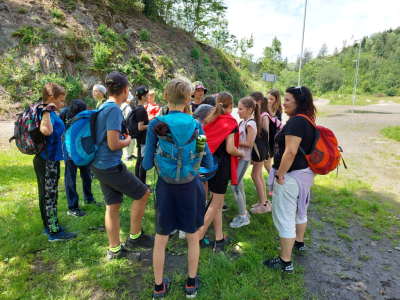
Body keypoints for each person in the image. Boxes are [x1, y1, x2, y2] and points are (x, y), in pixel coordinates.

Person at [143, 77, 213, 299]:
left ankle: (158, 288)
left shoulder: (156, 124)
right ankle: (191, 284)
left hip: (165, 188)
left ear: (165, 97)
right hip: (191, 187)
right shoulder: (197, 125)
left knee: (161, 238)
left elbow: (145, 164)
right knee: (193, 237)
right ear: (189, 99)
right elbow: (207, 161)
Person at [90, 72, 153, 261]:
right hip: (110, 166)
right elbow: (113, 144)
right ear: (125, 90)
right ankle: (135, 238)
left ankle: (115, 250)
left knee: (113, 205)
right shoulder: (114, 110)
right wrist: (127, 140)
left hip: (99, 165)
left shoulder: (103, 106)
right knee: (143, 193)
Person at [263, 86, 317, 273]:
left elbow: (291, 151)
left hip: (291, 176)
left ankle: (285, 262)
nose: (283, 103)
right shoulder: (309, 119)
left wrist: (279, 175)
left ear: (299, 102)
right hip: (304, 174)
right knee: (300, 209)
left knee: (285, 215)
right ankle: (299, 243)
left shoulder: (296, 122)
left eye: (287, 100)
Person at [199, 92, 244, 252]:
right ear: (231, 105)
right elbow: (230, 149)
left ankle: (219, 239)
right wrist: (241, 153)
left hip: (209, 165)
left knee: (215, 204)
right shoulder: (230, 122)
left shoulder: (210, 119)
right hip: (222, 167)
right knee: (216, 204)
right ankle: (198, 237)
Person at [34, 82, 77, 241]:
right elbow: (46, 131)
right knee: (50, 196)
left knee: (45, 195)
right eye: (61, 100)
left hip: (46, 159)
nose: (62, 104)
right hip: (47, 161)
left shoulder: (47, 111)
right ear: (52, 98)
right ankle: (54, 232)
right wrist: (47, 109)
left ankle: (49, 226)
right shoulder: (45, 111)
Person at [59, 99, 102, 218]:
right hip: (69, 150)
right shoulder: (64, 114)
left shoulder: (85, 114)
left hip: (82, 149)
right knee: (70, 177)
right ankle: (72, 207)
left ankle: (88, 198)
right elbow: (60, 131)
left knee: (87, 174)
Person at [229, 97, 261, 228]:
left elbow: (248, 143)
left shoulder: (250, 123)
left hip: (244, 158)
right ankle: (244, 213)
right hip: (240, 158)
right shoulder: (244, 122)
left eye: (240, 109)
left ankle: (243, 217)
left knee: (234, 186)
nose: (238, 111)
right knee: (239, 186)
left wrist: (232, 143)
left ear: (250, 110)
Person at [249, 91, 272, 214]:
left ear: (258, 102)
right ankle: (263, 202)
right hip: (261, 148)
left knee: (255, 175)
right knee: (258, 175)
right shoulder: (258, 115)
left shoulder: (263, 115)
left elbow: (266, 134)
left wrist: (266, 152)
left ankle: (263, 204)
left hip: (261, 148)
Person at [263, 89, 283, 196]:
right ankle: (275, 185)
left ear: (276, 100)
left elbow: (276, 127)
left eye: (272, 99)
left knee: (267, 164)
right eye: (267, 98)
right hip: (268, 140)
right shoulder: (266, 109)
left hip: (272, 141)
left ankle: (276, 185)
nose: (269, 100)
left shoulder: (277, 111)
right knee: (267, 164)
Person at [134, 86, 150, 185]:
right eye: (147, 95)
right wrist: (151, 124)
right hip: (143, 139)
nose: (149, 97)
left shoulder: (136, 107)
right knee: (142, 162)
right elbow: (140, 127)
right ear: (143, 96)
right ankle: (142, 184)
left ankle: (137, 183)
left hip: (139, 138)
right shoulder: (142, 110)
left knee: (139, 160)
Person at [120, 92, 136, 161]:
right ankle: (127, 156)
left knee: (131, 141)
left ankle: (130, 154)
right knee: (130, 141)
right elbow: (128, 118)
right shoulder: (127, 107)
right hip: (128, 127)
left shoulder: (122, 105)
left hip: (124, 126)